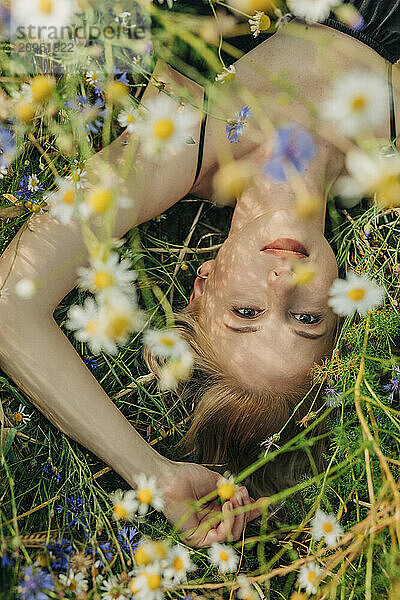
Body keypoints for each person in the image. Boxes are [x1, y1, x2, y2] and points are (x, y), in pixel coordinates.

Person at [0, 4, 399, 548]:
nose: (282, 281)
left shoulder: (181, 143)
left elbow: (8, 307)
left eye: (247, 313)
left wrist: (153, 474)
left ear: (204, 283)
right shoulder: (387, 147)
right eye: (305, 318)